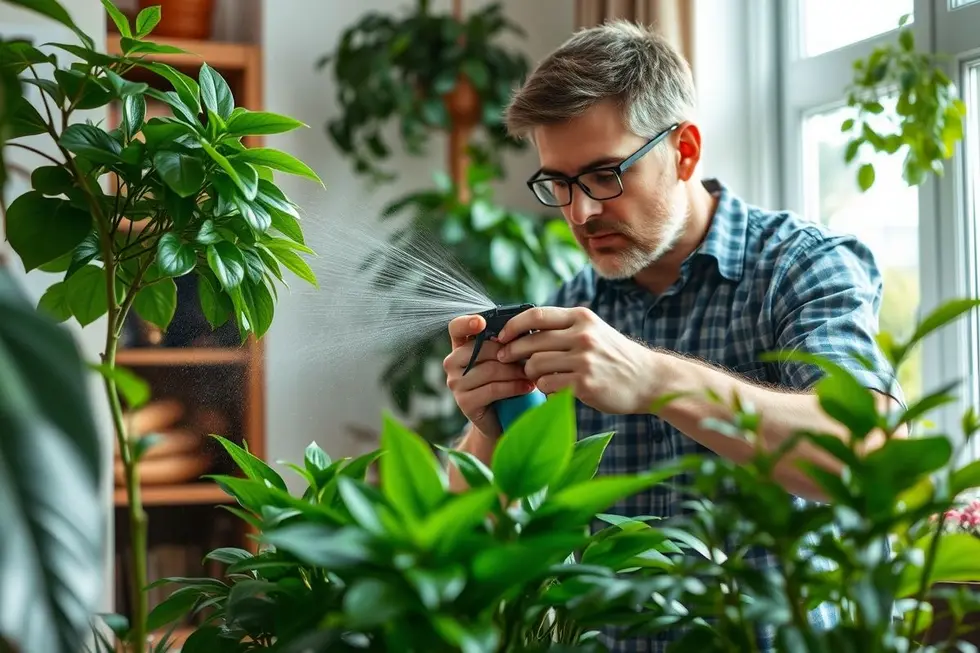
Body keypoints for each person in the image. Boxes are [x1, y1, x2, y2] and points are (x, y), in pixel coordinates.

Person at [443, 19, 906, 652]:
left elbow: (874, 460)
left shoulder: (801, 266)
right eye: (559, 184)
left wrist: (655, 380)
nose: (580, 213)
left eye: (606, 175)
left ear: (685, 150)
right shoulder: (569, 311)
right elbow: (464, 542)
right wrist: (487, 431)